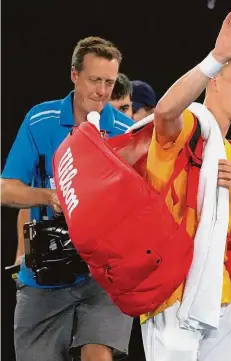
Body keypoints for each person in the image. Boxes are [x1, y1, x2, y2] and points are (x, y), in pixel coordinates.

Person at [139, 6, 231, 361]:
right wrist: (215, 57)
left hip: (221, 298)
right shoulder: (186, 127)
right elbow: (163, 112)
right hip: (169, 295)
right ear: (214, 80)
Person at [1, 36, 135, 361]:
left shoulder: (126, 132)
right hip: (45, 275)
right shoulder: (40, 120)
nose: (102, 91)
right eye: (94, 80)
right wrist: (50, 196)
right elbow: (6, 190)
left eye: (109, 82)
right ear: (74, 75)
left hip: (104, 275)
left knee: (97, 355)